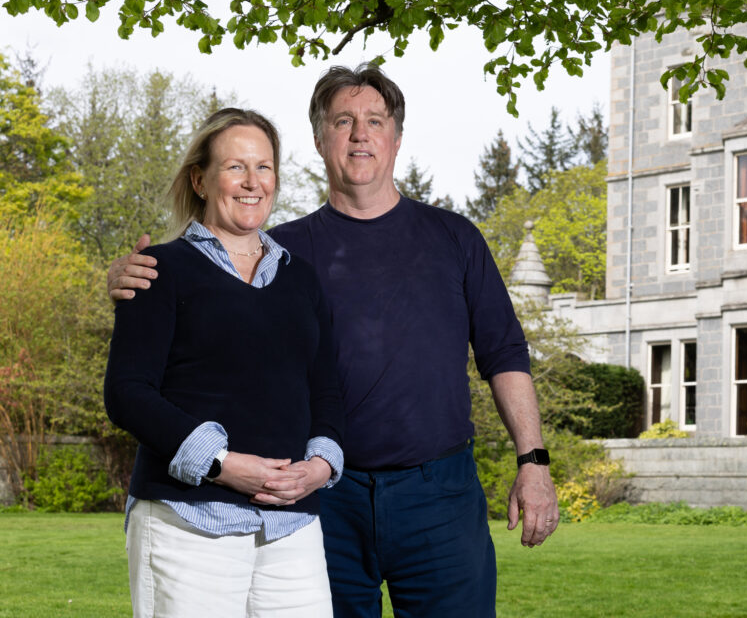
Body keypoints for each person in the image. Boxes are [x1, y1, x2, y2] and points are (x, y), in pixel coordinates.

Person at [107, 65, 559, 618]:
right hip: (322, 500)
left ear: (396, 137)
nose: (360, 134)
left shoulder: (453, 239)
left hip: (438, 494)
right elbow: (198, 297)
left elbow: (505, 353)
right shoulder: (282, 253)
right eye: (343, 121)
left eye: (375, 121)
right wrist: (132, 277)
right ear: (320, 140)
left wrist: (533, 460)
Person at [104, 108, 345, 617]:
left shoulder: (300, 278)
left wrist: (319, 467)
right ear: (200, 179)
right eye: (235, 167)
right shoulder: (159, 270)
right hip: (188, 521)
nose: (252, 182)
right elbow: (127, 393)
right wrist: (222, 465)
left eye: (264, 167)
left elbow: (326, 389)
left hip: (292, 525)